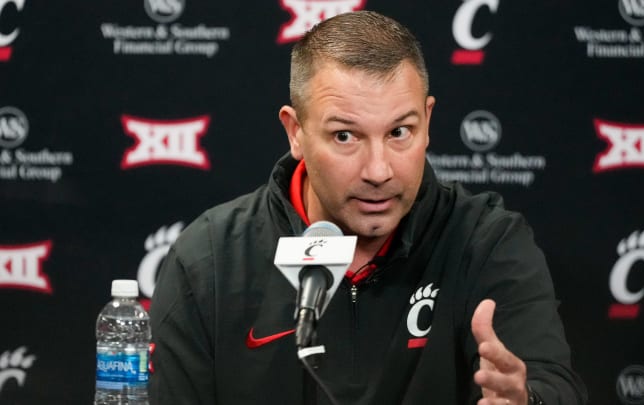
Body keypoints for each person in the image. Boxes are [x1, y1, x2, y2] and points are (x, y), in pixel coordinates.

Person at [148, 10, 588, 405]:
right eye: (345, 136)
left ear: (428, 122)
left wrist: (526, 401)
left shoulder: (486, 241)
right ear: (295, 132)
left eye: (400, 132)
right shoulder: (209, 261)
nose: (379, 171)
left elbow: (552, 383)